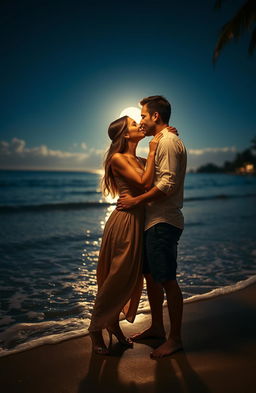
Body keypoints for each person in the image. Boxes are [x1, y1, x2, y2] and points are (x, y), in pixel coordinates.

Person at [117, 95, 187, 359]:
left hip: (163, 221)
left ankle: (175, 338)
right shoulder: (161, 141)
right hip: (153, 222)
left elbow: (167, 185)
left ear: (155, 116)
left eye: (144, 116)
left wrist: (136, 200)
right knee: (152, 278)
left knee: (167, 280)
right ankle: (157, 327)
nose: (142, 121)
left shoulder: (167, 141)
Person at [88, 115, 164, 355]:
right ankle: (95, 329)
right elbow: (144, 183)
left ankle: (113, 324)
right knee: (117, 278)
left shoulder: (138, 158)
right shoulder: (118, 158)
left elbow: (158, 180)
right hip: (125, 223)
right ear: (125, 135)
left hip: (140, 222)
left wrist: (162, 137)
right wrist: (153, 149)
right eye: (133, 124)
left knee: (131, 279)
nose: (138, 125)